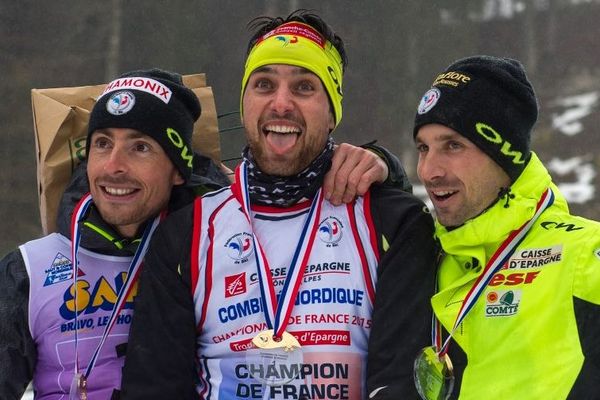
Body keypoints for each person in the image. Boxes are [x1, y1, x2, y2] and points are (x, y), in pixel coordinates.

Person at [0, 67, 391, 400]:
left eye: (140, 148)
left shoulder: (210, 242)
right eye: (102, 145)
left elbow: (302, 208)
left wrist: (383, 166)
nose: (114, 167)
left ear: (177, 169)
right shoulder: (30, 269)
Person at [120, 9, 437, 400]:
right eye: (264, 85)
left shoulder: (392, 221)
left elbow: (401, 382)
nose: (281, 104)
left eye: (304, 88)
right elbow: (154, 387)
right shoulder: (187, 233)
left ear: (332, 111)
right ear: (244, 104)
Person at [407, 55, 599, 399]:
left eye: (453, 145)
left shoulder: (584, 255)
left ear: (503, 155)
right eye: (424, 148)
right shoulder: (416, 255)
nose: (429, 171)